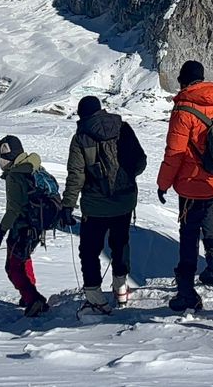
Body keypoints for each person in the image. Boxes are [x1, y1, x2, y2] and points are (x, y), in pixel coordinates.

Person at [157, 59, 213, 312]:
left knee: (188, 232)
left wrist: (163, 184)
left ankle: (186, 291)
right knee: (207, 215)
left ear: (183, 81)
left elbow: (174, 154)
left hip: (191, 184)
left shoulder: (183, 112)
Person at [61, 95, 147, 313]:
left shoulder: (81, 137)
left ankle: (95, 298)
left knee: (89, 250)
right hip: (125, 201)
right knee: (120, 244)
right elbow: (140, 161)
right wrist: (126, 179)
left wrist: (68, 205)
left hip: (95, 205)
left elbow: (76, 175)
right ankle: (121, 289)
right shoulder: (123, 127)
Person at [0, 135, 50, 317]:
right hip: (37, 225)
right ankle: (28, 294)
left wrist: (0, 232)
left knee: (13, 267)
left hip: (22, 226)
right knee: (24, 259)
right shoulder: (34, 165)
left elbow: (13, 209)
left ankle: (33, 298)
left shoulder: (15, 175)